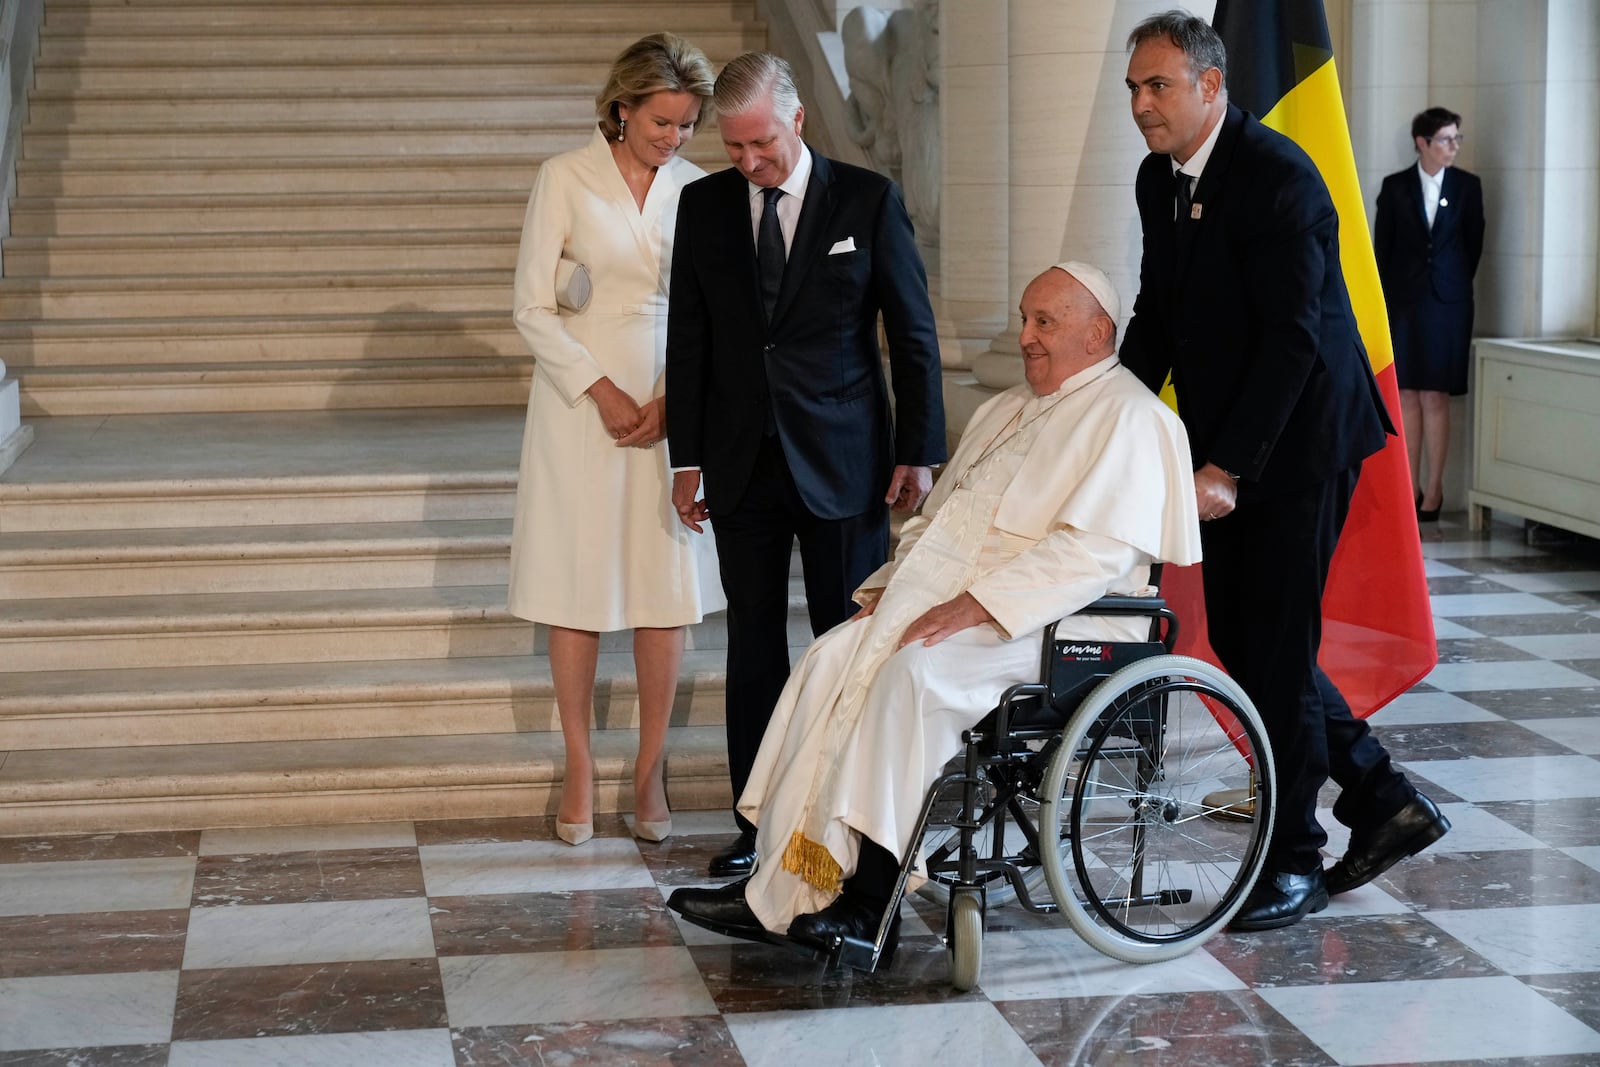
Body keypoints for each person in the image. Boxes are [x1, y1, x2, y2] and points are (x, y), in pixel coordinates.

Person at [667, 262, 1202, 957]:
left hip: (1061, 623)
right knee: (832, 657)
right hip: (968, 607)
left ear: (1098, 332)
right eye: (1024, 319)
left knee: (910, 677)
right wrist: (894, 586)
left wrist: (977, 603)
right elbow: (939, 522)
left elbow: (1092, 557)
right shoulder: (1004, 408)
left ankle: (867, 906)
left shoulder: (1134, 419)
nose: (1026, 337)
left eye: (1045, 322)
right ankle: (784, 880)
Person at [1119, 11, 1450, 931]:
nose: (1142, 105)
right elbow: (1159, 312)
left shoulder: (1279, 176)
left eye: (1159, 87)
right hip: (1237, 439)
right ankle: (1383, 798)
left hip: (1300, 442)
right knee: (1265, 645)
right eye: (1135, 89)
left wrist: (1227, 466)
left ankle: (1294, 860)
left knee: (1271, 650)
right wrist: (1097, 413)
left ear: (1211, 86)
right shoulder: (1161, 179)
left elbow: (1295, 342)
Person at [665, 51, 946, 878]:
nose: (749, 163)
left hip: (846, 463)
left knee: (845, 641)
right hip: (741, 464)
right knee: (753, 646)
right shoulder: (704, 205)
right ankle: (757, 824)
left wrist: (918, 450)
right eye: (734, 148)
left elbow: (915, 334)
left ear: (798, 120)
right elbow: (689, 339)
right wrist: (687, 458)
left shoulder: (866, 198)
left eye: (762, 144)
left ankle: (840, 823)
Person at [508, 33, 724, 847]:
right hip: (578, 406)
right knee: (577, 579)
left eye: (687, 126)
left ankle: (649, 766)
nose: (673, 139)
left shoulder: (700, 189)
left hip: (674, 398)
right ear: (623, 107)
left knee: (662, 584)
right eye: (662, 122)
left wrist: (674, 402)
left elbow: (712, 312)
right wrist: (599, 388)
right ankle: (577, 763)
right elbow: (531, 304)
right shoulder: (563, 177)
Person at [1374, 106, 1485, 522]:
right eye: (1446, 139)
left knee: (1436, 395)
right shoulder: (1395, 186)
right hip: (1405, 304)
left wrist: (1450, 286)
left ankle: (1434, 491)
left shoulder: (1467, 187)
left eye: (1457, 139)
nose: (1453, 147)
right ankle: (1408, 486)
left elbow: (1472, 246)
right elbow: (1382, 250)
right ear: (1423, 143)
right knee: (1406, 396)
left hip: (1448, 305)